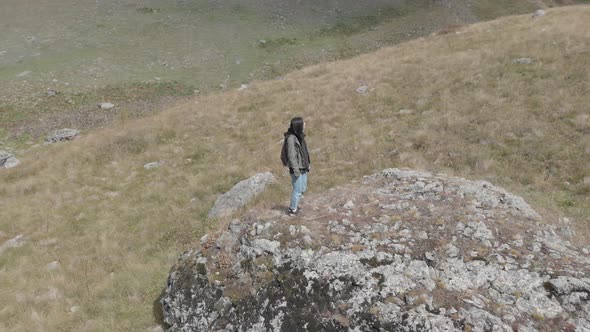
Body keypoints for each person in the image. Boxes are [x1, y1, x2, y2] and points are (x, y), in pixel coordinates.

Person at [283, 117, 310, 216]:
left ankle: (294, 206)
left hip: (303, 166)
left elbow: (304, 152)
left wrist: (308, 164)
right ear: (298, 125)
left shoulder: (300, 136)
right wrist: (296, 170)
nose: (305, 124)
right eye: (303, 123)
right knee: (297, 190)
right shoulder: (291, 139)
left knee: (302, 188)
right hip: (297, 168)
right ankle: (292, 209)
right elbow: (292, 156)